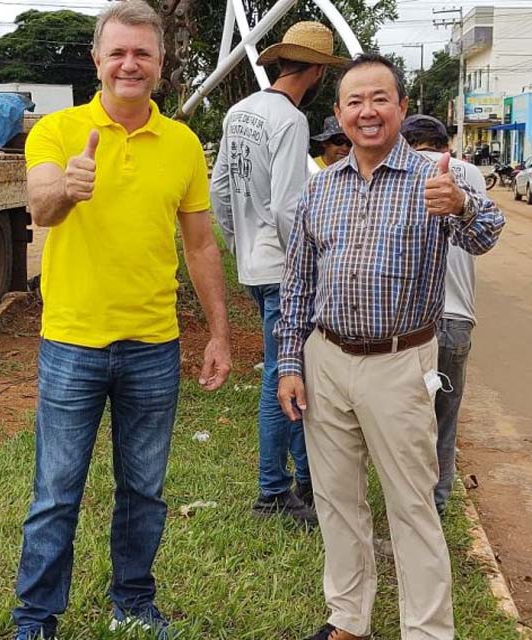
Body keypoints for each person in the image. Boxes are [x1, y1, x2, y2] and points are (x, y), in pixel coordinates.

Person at [13, 2, 231, 638]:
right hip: (73, 343)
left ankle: (133, 602)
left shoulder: (184, 144)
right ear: (97, 60)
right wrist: (68, 186)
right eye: (118, 52)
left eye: (142, 53)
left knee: (144, 490)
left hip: (153, 345)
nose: (129, 63)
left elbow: (200, 244)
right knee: (56, 492)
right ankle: (36, 617)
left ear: (160, 65)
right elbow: (40, 207)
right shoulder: (57, 131)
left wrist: (218, 332)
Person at [275, 53, 505, 640]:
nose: (368, 112)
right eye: (355, 101)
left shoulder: (434, 182)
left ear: (402, 108)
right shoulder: (320, 190)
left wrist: (462, 205)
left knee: (411, 505)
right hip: (326, 360)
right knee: (336, 500)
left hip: (400, 363)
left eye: (380, 99)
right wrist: (290, 364)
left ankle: (427, 630)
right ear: (339, 114)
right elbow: (298, 285)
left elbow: (485, 235)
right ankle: (348, 620)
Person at [212, 21, 346, 525]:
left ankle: (307, 483)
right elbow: (290, 207)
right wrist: (303, 266)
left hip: (252, 264)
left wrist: (238, 242)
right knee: (282, 375)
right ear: (314, 71)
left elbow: (220, 190)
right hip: (283, 267)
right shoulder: (290, 121)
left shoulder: (239, 111)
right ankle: (272, 490)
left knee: (291, 371)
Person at [401, 114, 487, 517]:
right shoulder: (470, 174)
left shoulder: (404, 173)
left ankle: (407, 509)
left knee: (404, 424)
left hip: (413, 322)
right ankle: (434, 509)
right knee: (444, 423)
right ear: (445, 146)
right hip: (458, 320)